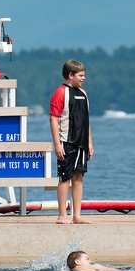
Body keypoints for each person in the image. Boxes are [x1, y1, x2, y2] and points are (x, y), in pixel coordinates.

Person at [49, 59, 93, 225]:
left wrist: (89, 141)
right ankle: (62, 215)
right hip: (66, 141)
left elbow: (86, 120)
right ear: (70, 75)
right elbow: (53, 119)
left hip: (81, 142)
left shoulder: (83, 93)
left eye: (84, 75)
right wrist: (57, 143)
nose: (83, 78)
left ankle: (77, 215)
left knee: (79, 177)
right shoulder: (61, 92)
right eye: (80, 75)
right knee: (64, 177)